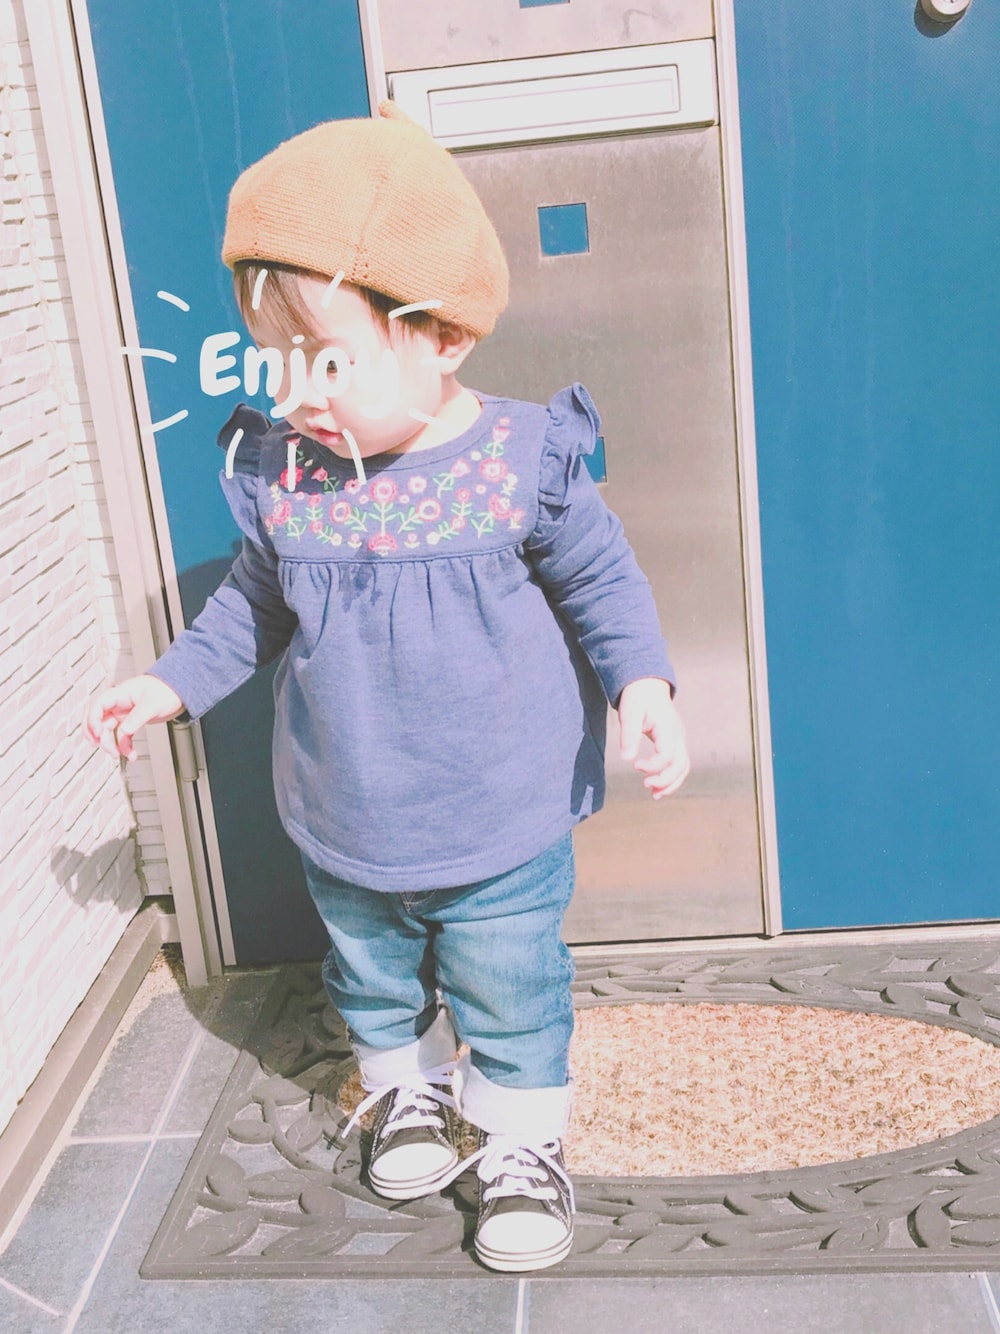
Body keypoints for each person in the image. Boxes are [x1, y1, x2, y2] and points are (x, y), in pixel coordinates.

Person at [83, 102, 690, 1273]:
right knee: (368, 975)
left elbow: (601, 579)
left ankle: (520, 1138)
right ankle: (404, 1089)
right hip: (349, 810)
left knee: (509, 984)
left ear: (442, 333)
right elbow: (252, 608)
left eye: (328, 361)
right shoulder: (289, 475)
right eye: (277, 364)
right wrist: (168, 685)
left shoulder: (517, 462)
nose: (297, 393)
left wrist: (643, 683)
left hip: (499, 812)